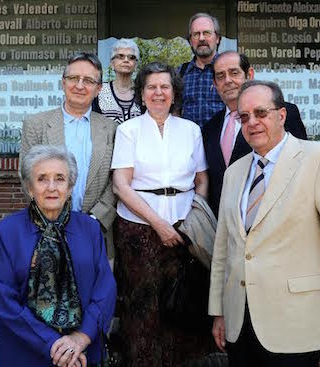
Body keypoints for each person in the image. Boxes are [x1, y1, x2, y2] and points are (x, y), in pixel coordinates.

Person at [208, 80, 320, 366]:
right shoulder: (234, 172)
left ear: (281, 115)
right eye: (244, 117)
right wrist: (219, 311)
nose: (252, 122)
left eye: (261, 113)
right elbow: (223, 249)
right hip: (239, 324)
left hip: (295, 321)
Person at [111, 62, 209, 366]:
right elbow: (120, 185)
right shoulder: (129, 130)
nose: (158, 92)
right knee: (143, 307)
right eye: (151, 87)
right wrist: (158, 224)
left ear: (174, 92)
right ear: (142, 93)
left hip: (184, 229)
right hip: (139, 229)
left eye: (164, 86)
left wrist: (191, 221)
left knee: (182, 302)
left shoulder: (190, 130)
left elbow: (202, 181)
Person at [0, 145, 116, 367]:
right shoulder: (7, 232)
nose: (51, 187)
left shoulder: (90, 229)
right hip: (24, 354)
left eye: (59, 178)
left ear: (70, 187)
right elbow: (4, 300)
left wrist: (81, 337)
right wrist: (56, 346)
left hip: (83, 353)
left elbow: (105, 289)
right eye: (42, 179)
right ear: (29, 188)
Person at [20, 52, 117, 261]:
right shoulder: (36, 125)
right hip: (46, 231)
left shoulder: (111, 129)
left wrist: (94, 220)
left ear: (99, 89)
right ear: (63, 83)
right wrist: (54, 218)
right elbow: (27, 178)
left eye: (89, 80)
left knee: (95, 292)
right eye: (74, 78)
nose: (80, 85)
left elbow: (115, 181)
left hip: (96, 232)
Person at [203, 51, 308, 217]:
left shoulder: (283, 113)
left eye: (234, 72)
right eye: (221, 76)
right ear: (215, 84)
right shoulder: (209, 128)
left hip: (276, 220)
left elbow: (301, 167)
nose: (228, 80)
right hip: (225, 225)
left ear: (249, 74)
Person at [178, 12, 225, 128]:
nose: (201, 38)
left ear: (217, 38)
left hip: (222, 143)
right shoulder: (179, 73)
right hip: (188, 143)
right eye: (196, 34)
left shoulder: (229, 71)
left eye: (207, 33)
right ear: (190, 41)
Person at [92, 38, 142, 123]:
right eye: (120, 56)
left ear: (136, 65)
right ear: (112, 64)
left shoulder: (142, 92)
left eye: (131, 57)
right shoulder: (100, 91)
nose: (126, 60)